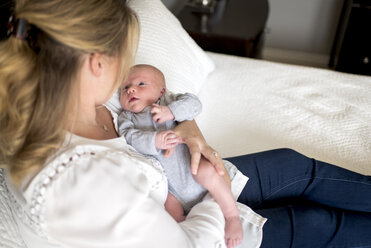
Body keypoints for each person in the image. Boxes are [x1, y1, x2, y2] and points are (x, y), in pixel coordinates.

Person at [0, 0, 371, 248]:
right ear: (98, 62)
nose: (127, 80)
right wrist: (222, 200)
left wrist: (188, 129)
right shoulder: (82, 182)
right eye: (122, 61)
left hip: (189, 179)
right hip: (200, 222)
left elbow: (163, 97)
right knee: (318, 223)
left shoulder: (95, 98)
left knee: (292, 166)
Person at [118, 64, 243, 247]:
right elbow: (129, 137)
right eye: (125, 88)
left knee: (208, 172)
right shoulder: (127, 117)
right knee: (170, 214)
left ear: (161, 91)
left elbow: (194, 105)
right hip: (171, 189)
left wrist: (171, 112)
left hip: (194, 170)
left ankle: (232, 216)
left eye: (141, 83)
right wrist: (154, 141)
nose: (131, 90)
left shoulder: (169, 101)